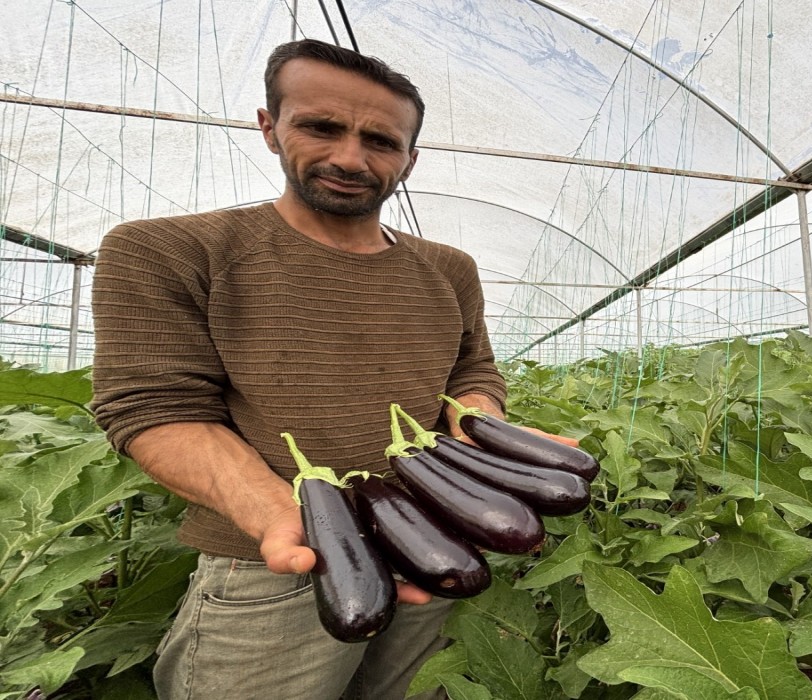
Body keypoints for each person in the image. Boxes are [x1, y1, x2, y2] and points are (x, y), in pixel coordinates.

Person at [90, 39, 572, 700]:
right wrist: (279, 514)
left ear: (410, 158)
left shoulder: (450, 269)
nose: (351, 156)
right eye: (322, 127)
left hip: (437, 543)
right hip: (275, 565)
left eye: (380, 140)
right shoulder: (168, 248)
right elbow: (153, 409)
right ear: (270, 127)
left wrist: (484, 443)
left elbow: (472, 375)